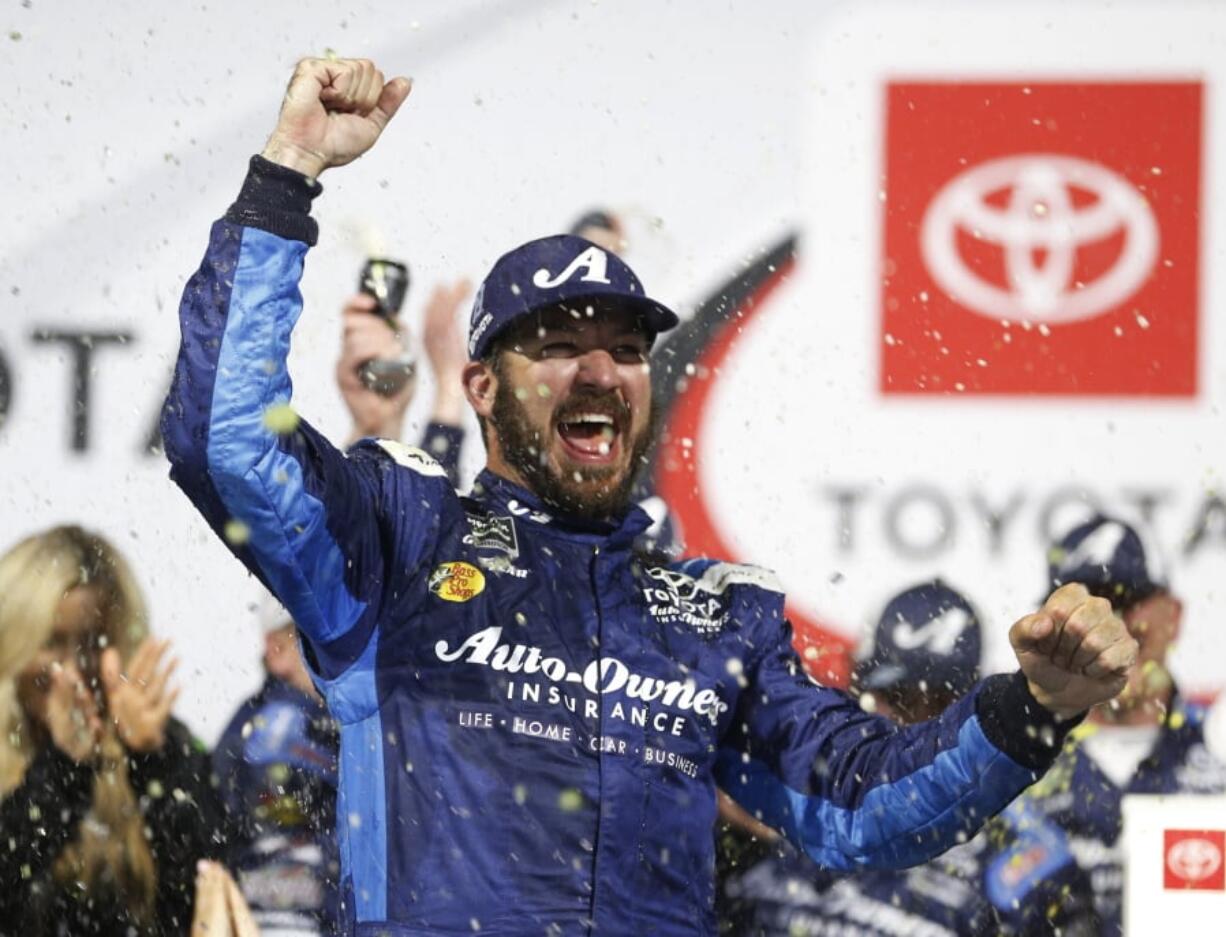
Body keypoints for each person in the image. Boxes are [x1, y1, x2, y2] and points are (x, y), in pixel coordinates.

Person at [160, 57, 1137, 935]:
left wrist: (1030, 710)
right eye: (555, 343)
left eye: (625, 348)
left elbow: (861, 808)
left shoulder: (713, 618)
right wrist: (286, 174)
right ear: (482, 389)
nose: (598, 369)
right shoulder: (400, 543)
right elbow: (224, 436)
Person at [718, 581, 1098, 935]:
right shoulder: (784, 788)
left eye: (937, 702)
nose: (911, 718)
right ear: (859, 688)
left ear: (969, 710)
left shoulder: (1024, 854)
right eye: (896, 695)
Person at [1003, 514, 1226, 936]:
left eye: (1127, 600)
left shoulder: (1221, 750)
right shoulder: (1007, 764)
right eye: (1085, 612)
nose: (1111, 630)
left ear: (1173, 615)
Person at [0, 525, 225, 936]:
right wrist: (62, 768)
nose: (72, 669)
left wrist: (153, 759)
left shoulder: (160, 745)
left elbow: (204, 900)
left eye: (90, 642)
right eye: (52, 642)